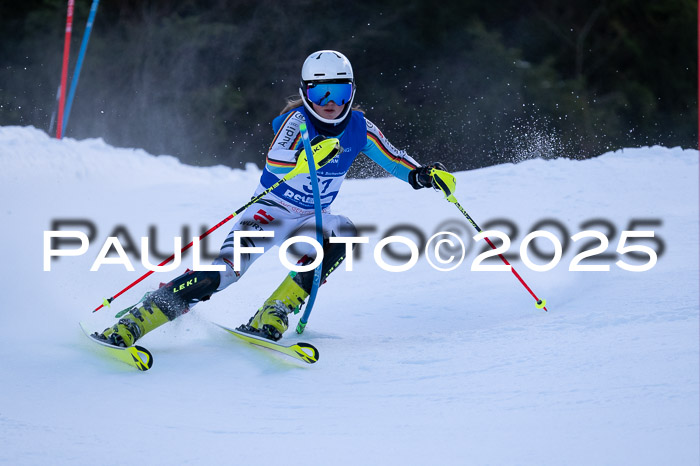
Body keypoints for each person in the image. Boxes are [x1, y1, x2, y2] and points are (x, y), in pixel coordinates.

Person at [95, 50, 449, 346]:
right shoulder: (296, 122)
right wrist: (307, 158)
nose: (330, 105)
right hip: (270, 212)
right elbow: (275, 161)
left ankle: (275, 310)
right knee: (223, 274)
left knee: (343, 233)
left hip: (313, 219)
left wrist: (422, 174)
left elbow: (393, 158)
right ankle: (139, 319)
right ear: (305, 94)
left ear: (352, 93)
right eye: (320, 95)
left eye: (339, 94)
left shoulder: (359, 127)